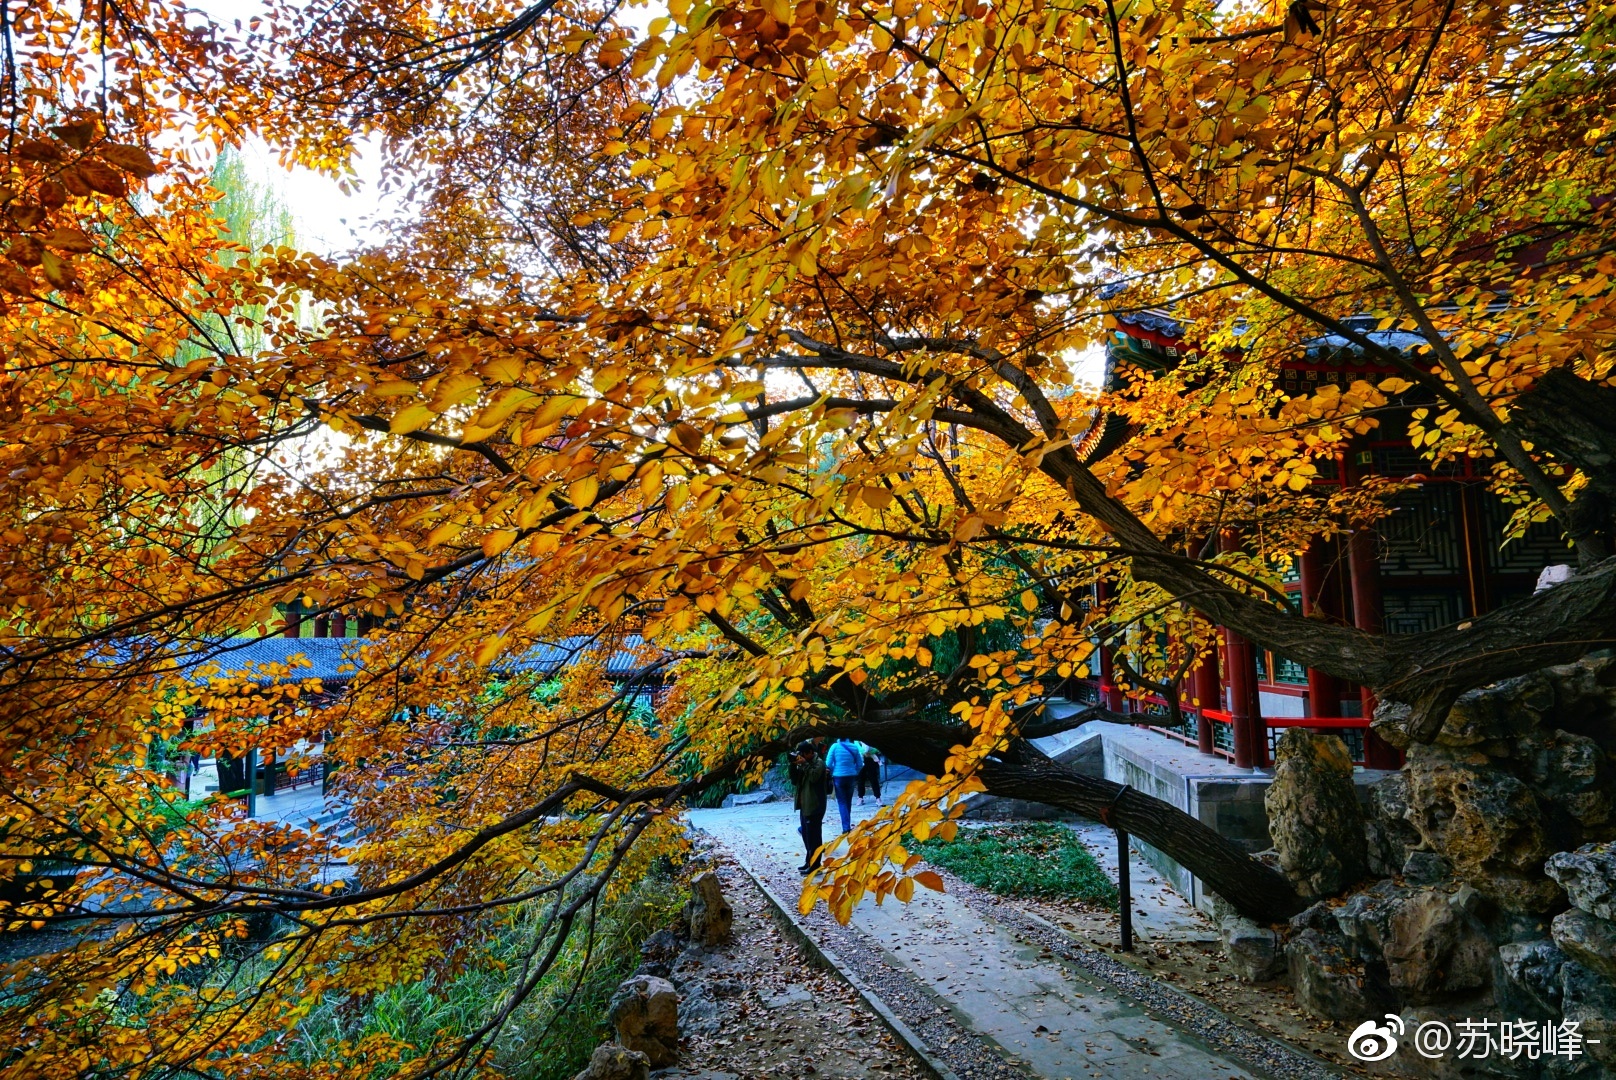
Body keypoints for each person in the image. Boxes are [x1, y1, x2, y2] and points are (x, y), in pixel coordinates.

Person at [789, 741, 828, 874]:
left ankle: (815, 866)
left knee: (814, 838)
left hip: (815, 805)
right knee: (806, 835)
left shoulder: (819, 763)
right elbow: (795, 781)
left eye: (803, 754)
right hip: (804, 805)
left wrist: (804, 764)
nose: (801, 757)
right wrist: (793, 765)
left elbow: (813, 778)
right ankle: (809, 862)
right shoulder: (805, 764)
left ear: (810, 752)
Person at [826, 737, 863, 833]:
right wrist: (855, 771)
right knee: (848, 801)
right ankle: (847, 824)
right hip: (851, 777)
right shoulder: (854, 747)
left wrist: (834, 770)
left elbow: (828, 764)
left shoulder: (834, 747)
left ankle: (846, 827)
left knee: (842, 802)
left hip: (838, 777)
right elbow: (860, 764)